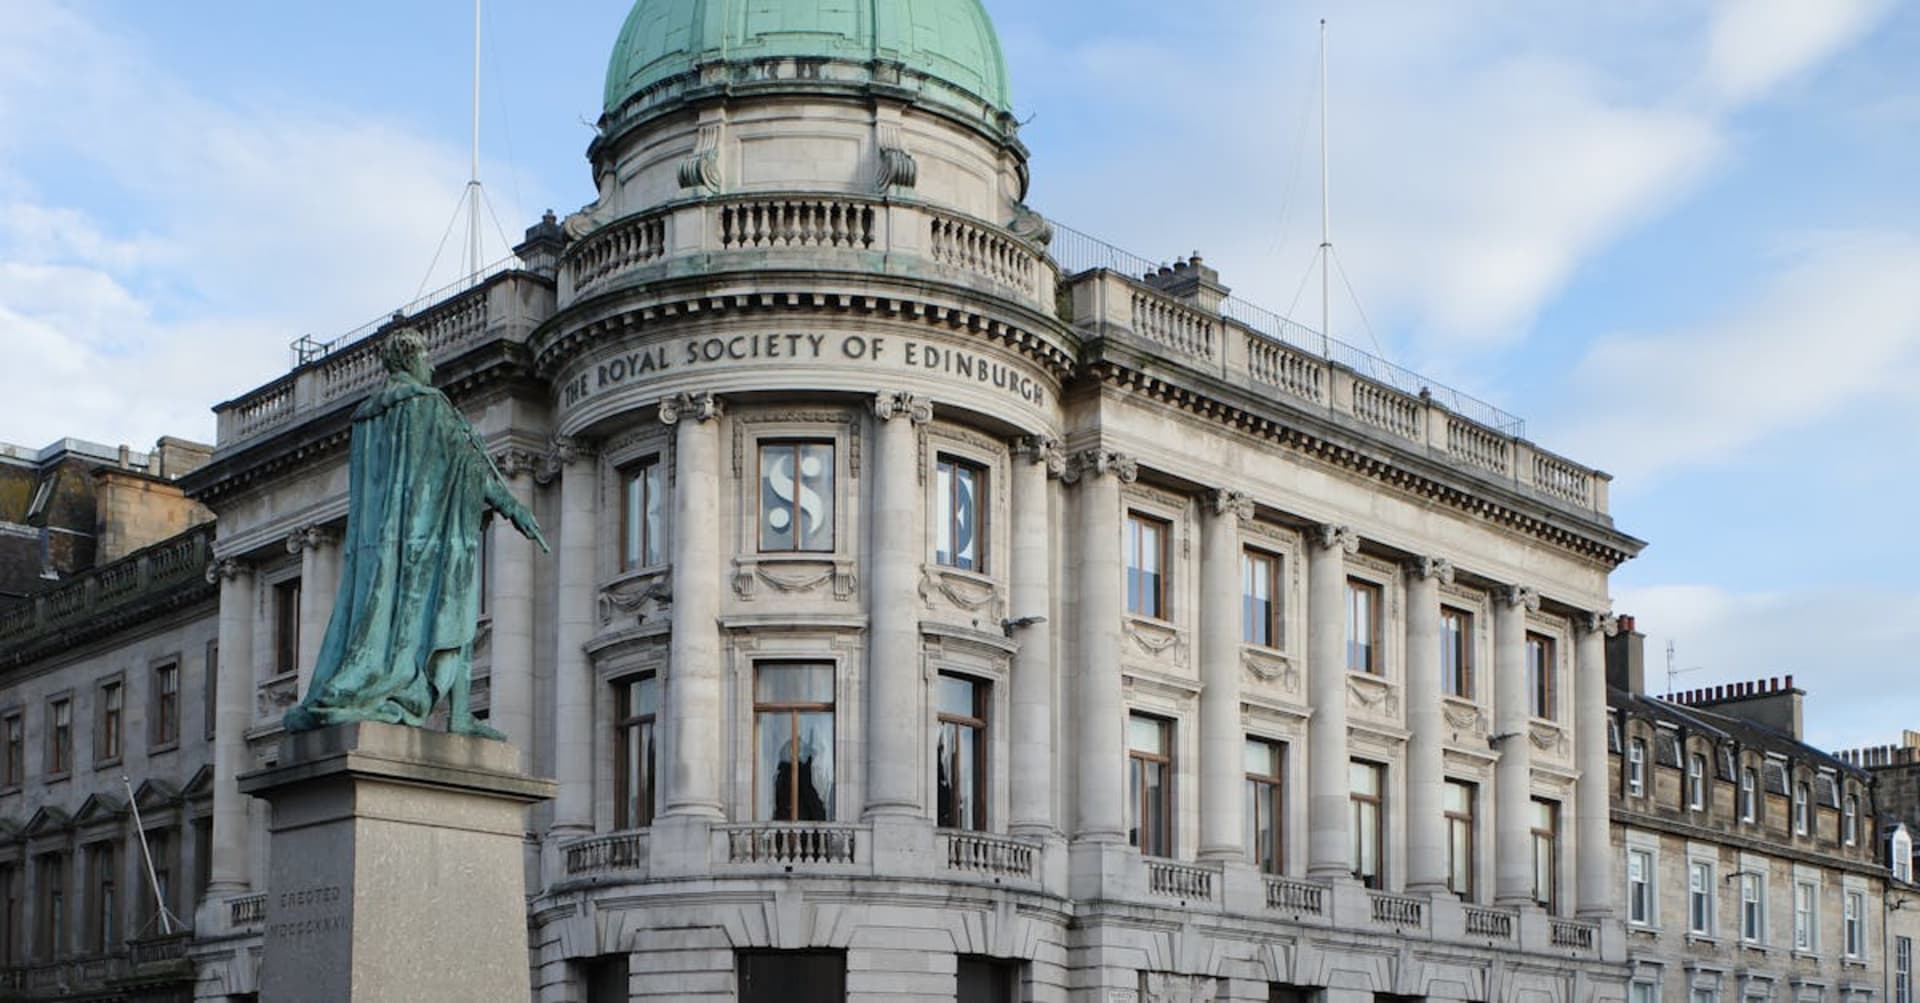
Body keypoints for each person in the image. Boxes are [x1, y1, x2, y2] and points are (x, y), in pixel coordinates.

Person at [284, 327, 547, 738]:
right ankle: (459, 716)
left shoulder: (369, 417)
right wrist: (514, 509)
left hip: (381, 554)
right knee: (456, 613)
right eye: (426, 356)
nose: (433, 364)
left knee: (425, 618)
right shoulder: (429, 405)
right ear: (410, 360)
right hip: (431, 543)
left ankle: (421, 701)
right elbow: (468, 468)